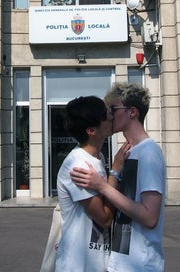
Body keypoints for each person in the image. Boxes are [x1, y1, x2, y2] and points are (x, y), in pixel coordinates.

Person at [70, 82, 166, 272]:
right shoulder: (128, 152)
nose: (109, 115)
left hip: (141, 264)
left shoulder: (149, 153)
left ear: (132, 112)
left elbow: (150, 217)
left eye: (114, 109)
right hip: (120, 262)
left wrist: (103, 186)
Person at [55, 95, 124, 272]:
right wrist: (114, 173)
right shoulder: (78, 165)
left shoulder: (97, 158)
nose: (111, 116)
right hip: (78, 265)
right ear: (91, 130)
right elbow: (104, 219)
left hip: (94, 262)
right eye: (105, 114)